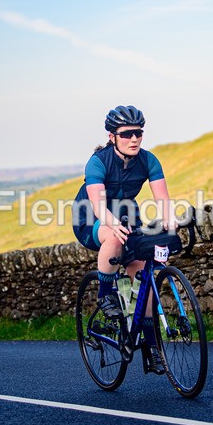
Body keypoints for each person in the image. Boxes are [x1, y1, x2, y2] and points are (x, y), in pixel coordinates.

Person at [72, 105, 175, 374]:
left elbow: (162, 198)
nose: (134, 139)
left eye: (138, 133)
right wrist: (112, 224)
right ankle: (105, 296)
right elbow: (98, 205)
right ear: (112, 137)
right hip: (91, 218)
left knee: (142, 277)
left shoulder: (149, 160)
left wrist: (169, 218)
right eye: (127, 134)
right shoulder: (98, 162)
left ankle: (151, 347)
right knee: (114, 237)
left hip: (127, 216)